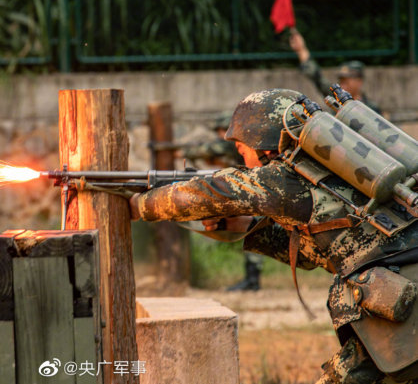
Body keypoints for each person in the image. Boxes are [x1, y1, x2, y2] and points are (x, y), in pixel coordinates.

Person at [130, 88, 418, 383]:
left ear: (261, 140)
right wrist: (244, 226)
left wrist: (137, 205)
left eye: (242, 147)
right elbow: (319, 252)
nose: (241, 154)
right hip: (402, 289)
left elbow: (215, 192)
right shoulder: (326, 175)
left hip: (404, 297)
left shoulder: (283, 177)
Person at [183, 113, 263, 291]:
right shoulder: (242, 144)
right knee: (253, 230)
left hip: (258, 190)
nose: (221, 134)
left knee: (255, 230)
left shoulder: (234, 142)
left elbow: (208, 149)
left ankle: (252, 280)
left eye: (222, 130)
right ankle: (252, 279)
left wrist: (183, 151)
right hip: (254, 189)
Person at [289, 29, 381, 113]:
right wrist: (301, 50)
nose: (343, 85)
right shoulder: (337, 100)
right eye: (341, 81)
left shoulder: (371, 108)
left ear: (359, 81)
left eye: (347, 81)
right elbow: (317, 77)